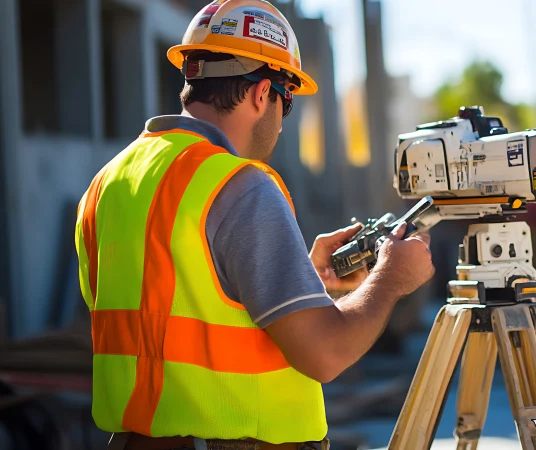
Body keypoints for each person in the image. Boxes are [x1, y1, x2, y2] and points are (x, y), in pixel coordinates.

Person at [74, 1, 435, 449]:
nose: (282, 124)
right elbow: (326, 355)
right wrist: (391, 279)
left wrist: (298, 278)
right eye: (288, 102)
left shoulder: (107, 184)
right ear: (262, 94)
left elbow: (170, 311)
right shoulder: (241, 186)